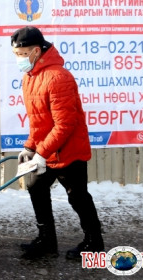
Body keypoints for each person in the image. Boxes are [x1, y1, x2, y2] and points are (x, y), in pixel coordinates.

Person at [10, 26, 104, 260]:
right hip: (48, 150)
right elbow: (39, 122)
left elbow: (65, 124)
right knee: (36, 187)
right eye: (16, 55)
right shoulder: (29, 78)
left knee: (78, 196)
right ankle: (46, 241)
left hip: (69, 150)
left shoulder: (58, 77)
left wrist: (41, 152)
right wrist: (30, 147)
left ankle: (94, 242)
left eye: (22, 54)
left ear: (36, 51)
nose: (19, 59)